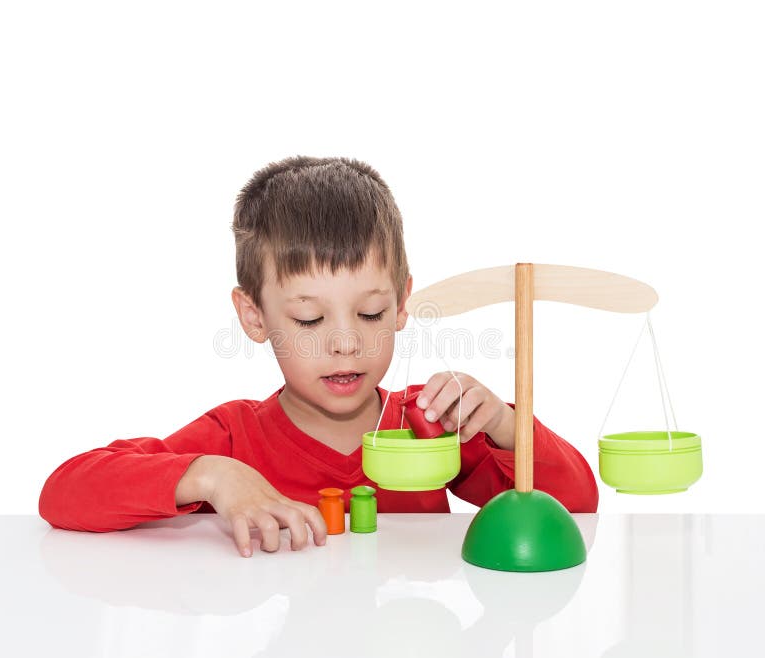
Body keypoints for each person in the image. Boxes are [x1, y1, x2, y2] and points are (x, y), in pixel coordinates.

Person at [38, 155, 598, 557]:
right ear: (254, 316)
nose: (346, 342)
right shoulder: (235, 439)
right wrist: (213, 477)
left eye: (371, 313)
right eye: (310, 319)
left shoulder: (429, 423)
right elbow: (64, 493)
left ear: (402, 302)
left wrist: (501, 422)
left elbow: (576, 502)